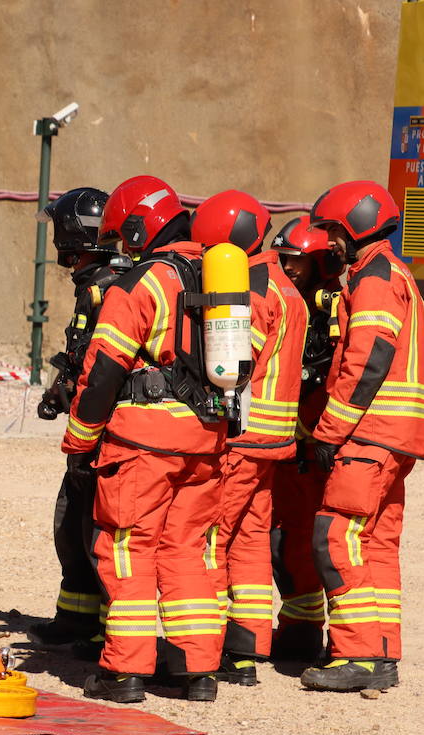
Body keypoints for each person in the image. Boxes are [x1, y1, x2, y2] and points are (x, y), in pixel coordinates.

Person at [62, 175, 226, 703]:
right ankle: (195, 671)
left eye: (123, 235)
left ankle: (124, 673)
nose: (122, 246)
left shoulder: (140, 283)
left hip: (144, 444)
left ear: (138, 226)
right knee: (189, 552)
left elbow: (103, 370)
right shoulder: (219, 277)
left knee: (129, 549)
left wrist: (80, 440)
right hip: (206, 440)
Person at [301, 180, 423, 691]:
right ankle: (383, 651)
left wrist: (329, 430)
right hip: (397, 434)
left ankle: (358, 654)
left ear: (359, 223)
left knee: (334, 537)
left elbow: (367, 359)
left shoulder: (373, 277)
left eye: (332, 230)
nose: (328, 241)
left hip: (370, 433)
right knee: (374, 544)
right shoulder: (397, 274)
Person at [190, 190, 307, 686]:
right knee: (252, 537)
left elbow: (234, 365)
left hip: (242, 436)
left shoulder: (253, 290)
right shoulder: (285, 285)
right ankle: (251, 640)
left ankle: (215, 645)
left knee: (213, 535)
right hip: (274, 439)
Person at [29, 187, 124, 653]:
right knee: (72, 524)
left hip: (104, 432)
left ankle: (111, 631)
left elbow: (105, 364)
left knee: (95, 530)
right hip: (90, 424)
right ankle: (76, 616)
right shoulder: (96, 283)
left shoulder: (110, 288)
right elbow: (83, 355)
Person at [267, 216, 344, 662]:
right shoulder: (286, 298)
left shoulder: (332, 302)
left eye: (297, 261)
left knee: (320, 539)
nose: (288, 267)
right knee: (286, 539)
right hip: (293, 441)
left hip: (320, 440)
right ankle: (299, 629)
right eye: (284, 259)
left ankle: (341, 640)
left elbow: (338, 361)